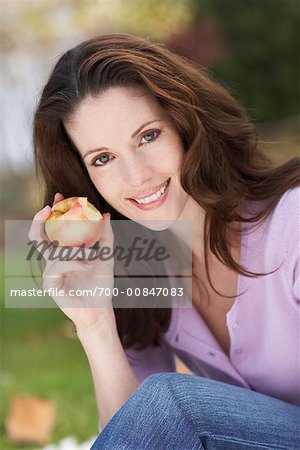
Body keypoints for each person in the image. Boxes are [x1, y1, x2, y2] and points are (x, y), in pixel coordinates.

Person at [30, 34, 300, 449]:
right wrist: (95, 322)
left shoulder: (292, 223)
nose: (137, 176)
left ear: (187, 125)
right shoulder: (143, 269)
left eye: (148, 136)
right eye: (103, 158)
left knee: (170, 401)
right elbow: (134, 431)